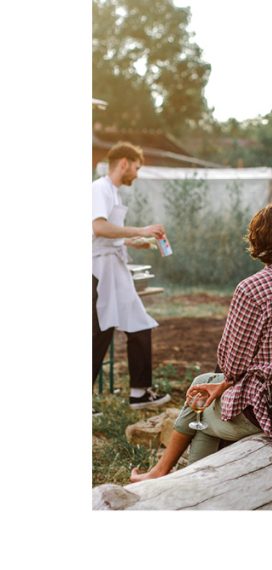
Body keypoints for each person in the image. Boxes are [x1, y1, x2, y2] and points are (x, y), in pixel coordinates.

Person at [130, 203, 272, 480]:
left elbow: (232, 365)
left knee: (199, 402)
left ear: (258, 240)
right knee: (205, 390)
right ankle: (183, 479)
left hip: (269, 414)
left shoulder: (252, 288)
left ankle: (169, 475)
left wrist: (226, 381)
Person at [91, 141, 170, 409]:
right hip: (99, 272)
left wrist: (132, 240)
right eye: (136, 168)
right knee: (97, 334)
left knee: (137, 325)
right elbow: (99, 228)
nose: (136, 174)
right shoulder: (99, 189)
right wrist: (143, 229)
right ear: (123, 163)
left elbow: (107, 235)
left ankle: (139, 392)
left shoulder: (112, 192)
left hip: (113, 268)